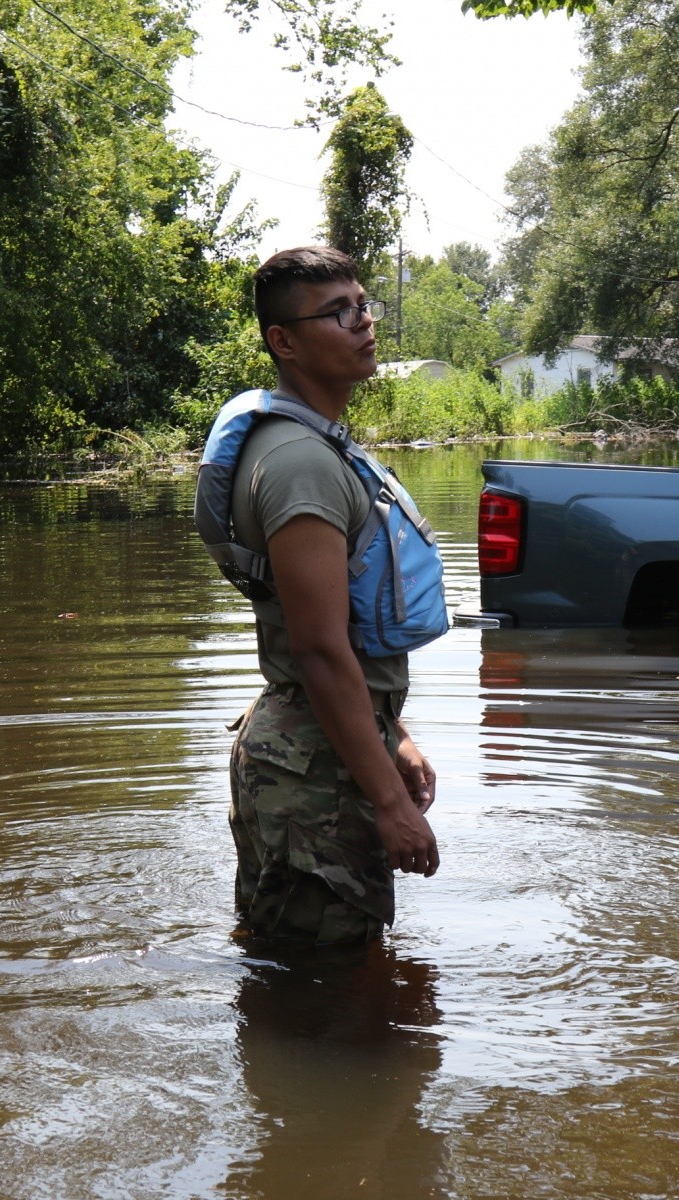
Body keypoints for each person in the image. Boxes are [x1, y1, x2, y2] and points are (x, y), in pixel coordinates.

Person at [217, 245, 440, 946]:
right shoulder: (301, 465)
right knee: (332, 1007)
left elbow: (333, 631)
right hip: (313, 770)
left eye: (363, 305)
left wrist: (392, 732)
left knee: (291, 978)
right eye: (337, 313)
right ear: (283, 341)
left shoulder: (312, 446)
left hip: (313, 747)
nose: (363, 323)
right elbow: (317, 648)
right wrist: (387, 801)